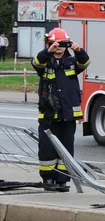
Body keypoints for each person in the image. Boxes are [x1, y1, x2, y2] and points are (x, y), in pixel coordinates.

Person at [32, 28, 90, 191]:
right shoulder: (45, 62)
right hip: (49, 115)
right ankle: (48, 180)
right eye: (55, 45)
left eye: (62, 45)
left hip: (69, 115)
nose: (59, 49)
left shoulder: (71, 62)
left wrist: (79, 51)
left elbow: (85, 63)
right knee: (47, 149)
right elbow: (36, 62)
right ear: (49, 44)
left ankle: (62, 180)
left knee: (66, 149)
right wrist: (47, 52)